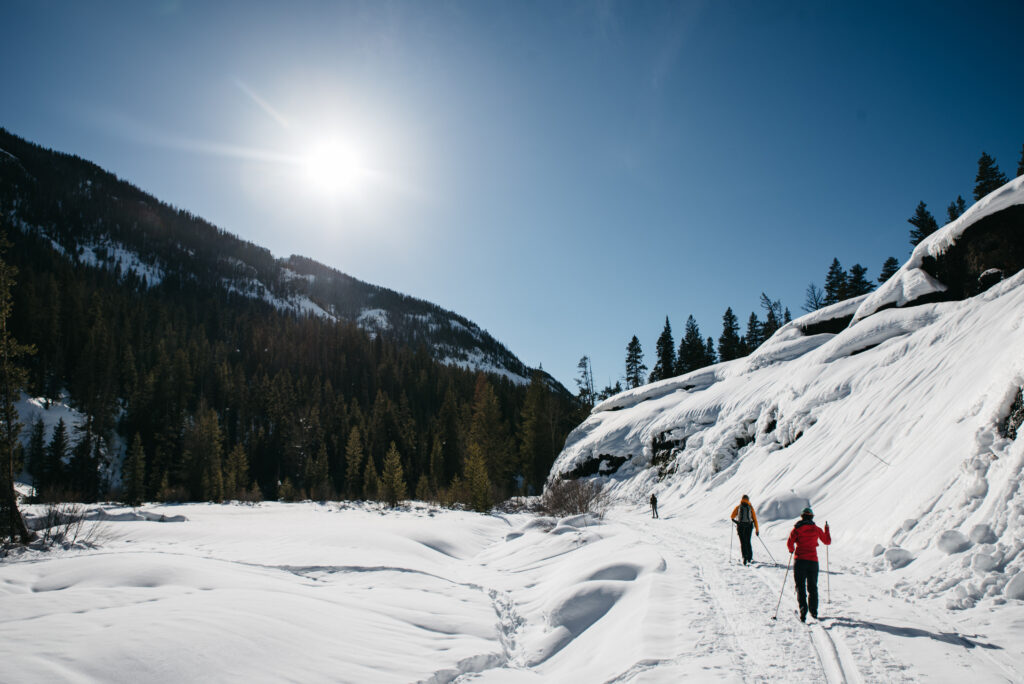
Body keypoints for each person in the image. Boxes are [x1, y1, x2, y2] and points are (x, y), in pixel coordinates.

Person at [786, 507, 831, 621]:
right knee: (812, 587)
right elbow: (827, 541)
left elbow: (790, 543)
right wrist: (827, 530)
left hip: (800, 560)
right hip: (813, 561)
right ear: (811, 517)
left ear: (802, 516)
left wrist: (792, 550)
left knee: (800, 587)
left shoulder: (796, 529)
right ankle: (814, 611)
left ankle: (803, 610)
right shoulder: (816, 529)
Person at [730, 495, 759, 565]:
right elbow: (754, 519)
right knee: (748, 541)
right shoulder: (750, 507)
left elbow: (732, 516)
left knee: (743, 542)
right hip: (749, 526)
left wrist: (737, 521)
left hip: (740, 527)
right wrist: (757, 530)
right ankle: (749, 557)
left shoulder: (738, 507)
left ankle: (744, 557)